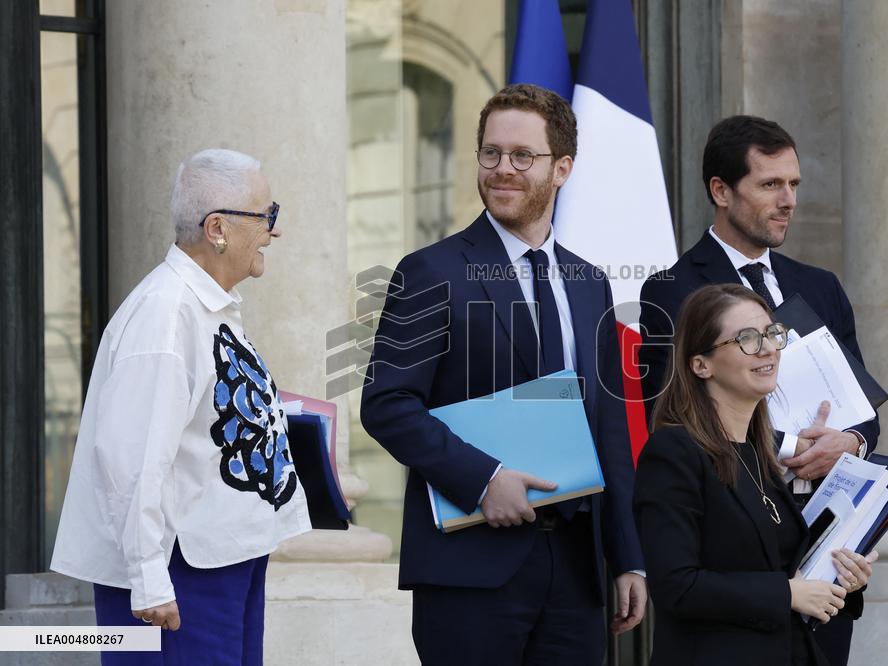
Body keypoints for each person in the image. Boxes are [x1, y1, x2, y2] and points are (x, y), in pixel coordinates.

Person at [360, 83, 646, 665]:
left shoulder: (591, 283)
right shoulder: (429, 271)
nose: (502, 169)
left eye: (523, 156)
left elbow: (609, 427)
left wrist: (627, 556)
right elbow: (387, 404)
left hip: (577, 570)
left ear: (562, 168)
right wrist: (484, 479)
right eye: (490, 153)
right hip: (469, 570)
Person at [50, 149, 311, 665]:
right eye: (267, 216)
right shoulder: (165, 315)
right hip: (180, 577)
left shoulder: (202, 305)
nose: (274, 232)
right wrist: (148, 580)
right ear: (218, 228)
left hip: (219, 561)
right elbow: (130, 460)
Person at [637, 115, 879, 665]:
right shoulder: (672, 290)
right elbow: (671, 411)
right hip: (729, 543)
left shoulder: (820, 286)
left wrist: (850, 444)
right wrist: (794, 450)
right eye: (770, 184)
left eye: (793, 184)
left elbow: (864, 414)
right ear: (721, 191)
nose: (788, 200)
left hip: (819, 542)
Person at [634, 283, 876, 666]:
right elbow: (675, 587)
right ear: (701, 364)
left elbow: (784, 569)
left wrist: (840, 579)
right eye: (746, 338)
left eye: (771, 334)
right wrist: (787, 594)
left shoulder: (759, 452)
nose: (767, 348)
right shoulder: (674, 452)